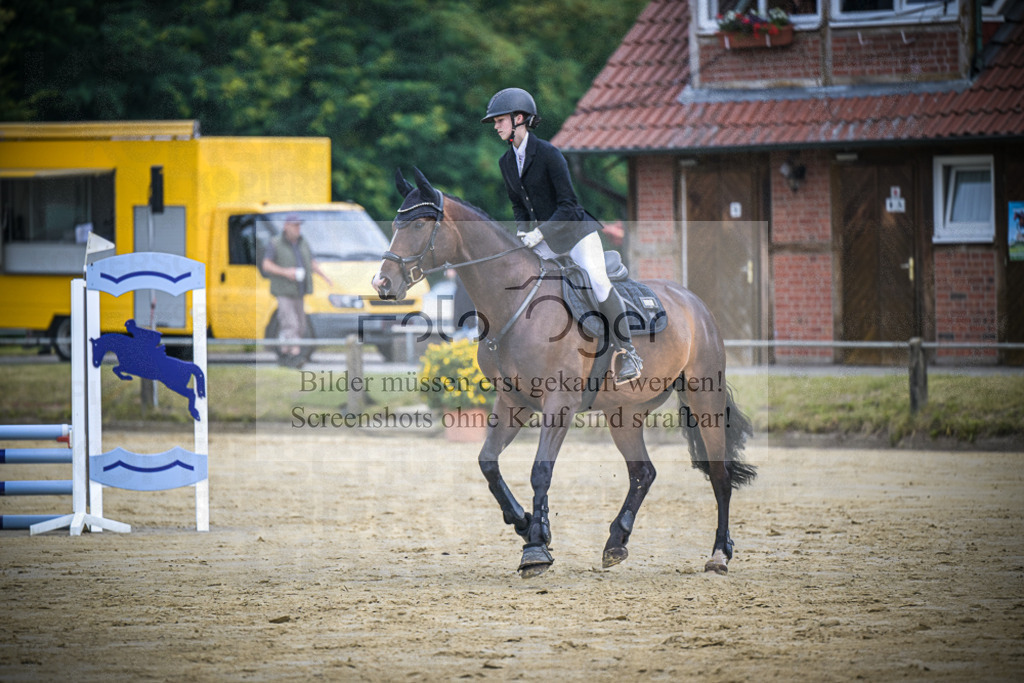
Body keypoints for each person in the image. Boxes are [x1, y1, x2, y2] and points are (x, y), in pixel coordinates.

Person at [481, 87, 642, 383]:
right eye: (495, 122)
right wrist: (522, 232)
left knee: (596, 279)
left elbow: (569, 204)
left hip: (576, 233)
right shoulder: (506, 163)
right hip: (544, 240)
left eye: (500, 120)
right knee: (520, 278)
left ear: (519, 119)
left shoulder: (549, 154)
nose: (496, 125)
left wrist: (539, 233)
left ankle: (628, 351)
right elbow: (519, 205)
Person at [261, 214, 333, 367]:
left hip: (299, 291)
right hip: (283, 291)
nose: (298, 228)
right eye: (295, 225)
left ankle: (285, 352)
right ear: (286, 226)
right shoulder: (275, 243)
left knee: (301, 325)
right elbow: (266, 265)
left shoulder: (303, 242)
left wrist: (325, 277)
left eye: (299, 225)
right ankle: (294, 356)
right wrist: (286, 272)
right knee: (290, 324)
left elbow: (311, 262)